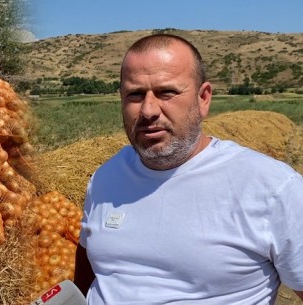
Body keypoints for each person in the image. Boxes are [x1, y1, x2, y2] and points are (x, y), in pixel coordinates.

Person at [74, 33, 303, 304]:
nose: (148, 111)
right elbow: (91, 262)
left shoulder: (272, 188)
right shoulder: (105, 178)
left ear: (203, 98)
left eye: (166, 92)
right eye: (135, 95)